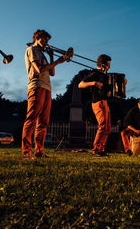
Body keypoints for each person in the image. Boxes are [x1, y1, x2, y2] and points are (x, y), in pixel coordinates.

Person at [21, 30, 68, 159]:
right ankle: (26, 151)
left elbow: (52, 73)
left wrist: (53, 58)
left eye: (47, 40)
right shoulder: (32, 50)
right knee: (31, 118)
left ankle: (39, 151)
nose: (46, 43)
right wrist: (58, 61)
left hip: (47, 87)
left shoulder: (43, 54)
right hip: (36, 86)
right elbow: (40, 69)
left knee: (43, 122)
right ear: (36, 38)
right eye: (44, 39)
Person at [78, 54, 113, 157]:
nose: (109, 67)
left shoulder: (105, 75)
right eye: (108, 65)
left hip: (104, 101)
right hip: (98, 102)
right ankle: (96, 150)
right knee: (103, 126)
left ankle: (101, 149)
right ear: (102, 65)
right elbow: (80, 84)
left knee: (107, 127)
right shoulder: (94, 73)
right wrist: (94, 83)